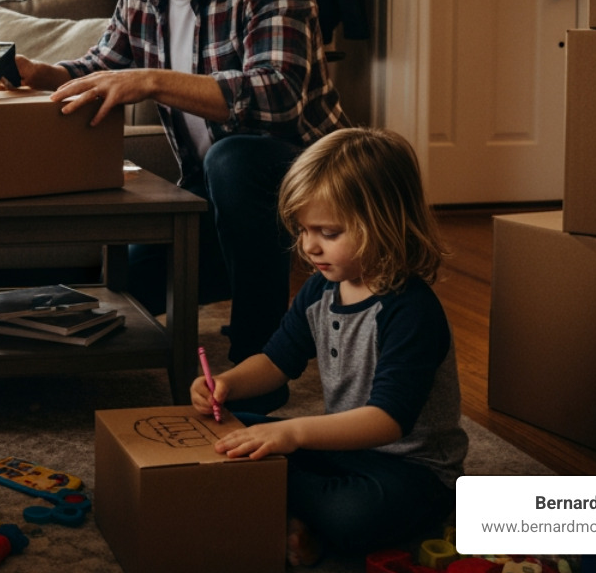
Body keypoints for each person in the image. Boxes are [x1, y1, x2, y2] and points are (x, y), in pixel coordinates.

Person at [14, 0, 348, 385]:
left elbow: (278, 95)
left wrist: (151, 80)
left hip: (307, 181)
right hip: (213, 194)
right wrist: (40, 73)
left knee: (234, 156)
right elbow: (104, 66)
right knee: (126, 285)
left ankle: (257, 359)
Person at [190, 128, 467, 565]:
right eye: (303, 230)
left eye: (328, 232)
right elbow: (276, 359)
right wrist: (226, 384)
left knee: (351, 513)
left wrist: (293, 432)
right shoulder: (320, 289)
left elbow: (387, 421)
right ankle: (292, 515)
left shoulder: (411, 310)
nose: (309, 246)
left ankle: (294, 513)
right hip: (343, 450)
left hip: (412, 471)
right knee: (226, 430)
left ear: (385, 223)